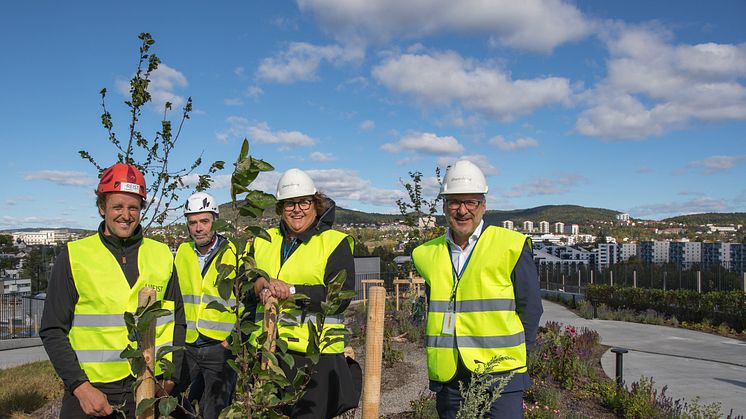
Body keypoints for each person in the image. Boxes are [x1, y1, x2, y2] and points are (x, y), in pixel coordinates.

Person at [40, 163, 185, 418]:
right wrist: (80, 387)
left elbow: (178, 321)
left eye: (133, 207)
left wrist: (172, 377)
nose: (126, 215)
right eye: (117, 206)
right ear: (102, 207)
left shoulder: (162, 254)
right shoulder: (75, 257)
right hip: (90, 393)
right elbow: (53, 329)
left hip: (149, 387)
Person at [411, 159, 543, 419]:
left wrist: (517, 357)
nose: (462, 210)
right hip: (450, 377)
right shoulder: (425, 254)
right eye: (455, 202)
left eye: (470, 202)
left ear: (483, 206)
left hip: (501, 376)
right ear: (444, 206)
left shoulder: (511, 246)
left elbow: (531, 308)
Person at [250, 168, 362, 418]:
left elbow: (339, 297)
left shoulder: (333, 242)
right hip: (269, 350)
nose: (297, 209)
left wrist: (290, 291)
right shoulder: (263, 240)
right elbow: (243, 284)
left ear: (315, 204)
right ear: (280, 208)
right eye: (290, 203)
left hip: (316, 356)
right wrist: (258, 284)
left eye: (304, 202)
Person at [174, 192, 238, 418]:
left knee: (215, 410)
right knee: (176, 403)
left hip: (219, 347)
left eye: (204, 221)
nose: (198, 228)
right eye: (193, 222)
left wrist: (232, 341)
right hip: (188, 346)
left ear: (215, 221)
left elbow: (248, 303)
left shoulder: (234, 253)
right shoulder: (182, 252)